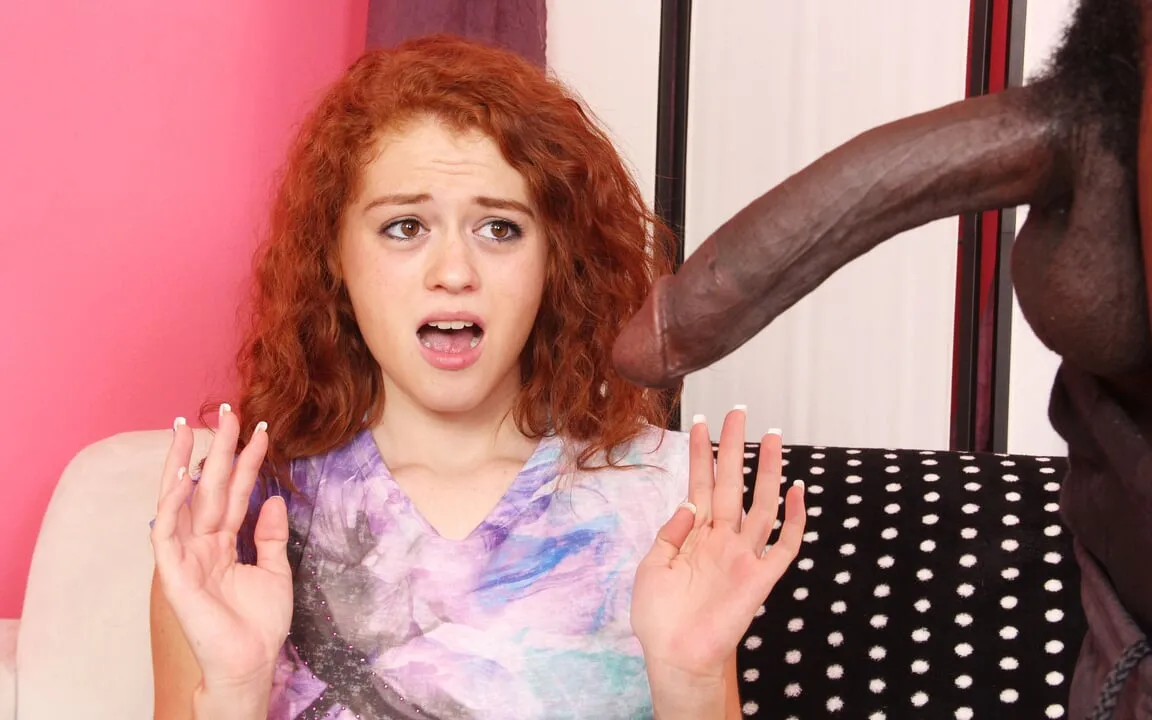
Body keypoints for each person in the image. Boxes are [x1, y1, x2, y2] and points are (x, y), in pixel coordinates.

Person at [147, 34, 807, 720]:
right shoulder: (227, 524)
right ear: (333, 255)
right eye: (405, 226)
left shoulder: (670, 501)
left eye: (499, 229)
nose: (455, 272)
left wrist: (691, 684)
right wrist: (234, 690)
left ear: (556, 258)